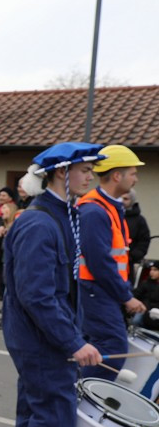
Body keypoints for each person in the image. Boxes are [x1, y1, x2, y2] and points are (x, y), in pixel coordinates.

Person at [0, 142, 105, 427]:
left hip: (45, 339)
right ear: (62, 172)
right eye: (84, 169)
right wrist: (73, 342)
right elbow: (38, 295)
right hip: (40, 342)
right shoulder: (41, 224)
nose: (90, 174)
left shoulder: (64, 216)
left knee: (38, 420)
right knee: (52, 423)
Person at [77, 144, 146, 380]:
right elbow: (100, 262)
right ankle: (80, 397)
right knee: (112, 347)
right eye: (133, 173)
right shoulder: (95, 211)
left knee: (97, 348)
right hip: (95, 289)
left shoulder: (108, 207)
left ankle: (73, 396)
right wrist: (126, 296)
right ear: (117, 175)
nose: (136, 178)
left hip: (99, 290)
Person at [122, 188, 150, 284]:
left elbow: (144, 240)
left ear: (132, 201)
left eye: (126, 199)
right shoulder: (112, 215)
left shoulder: (139, 220)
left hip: (129, 264)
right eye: (120, 198)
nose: (122, 201)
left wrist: (132, 256)